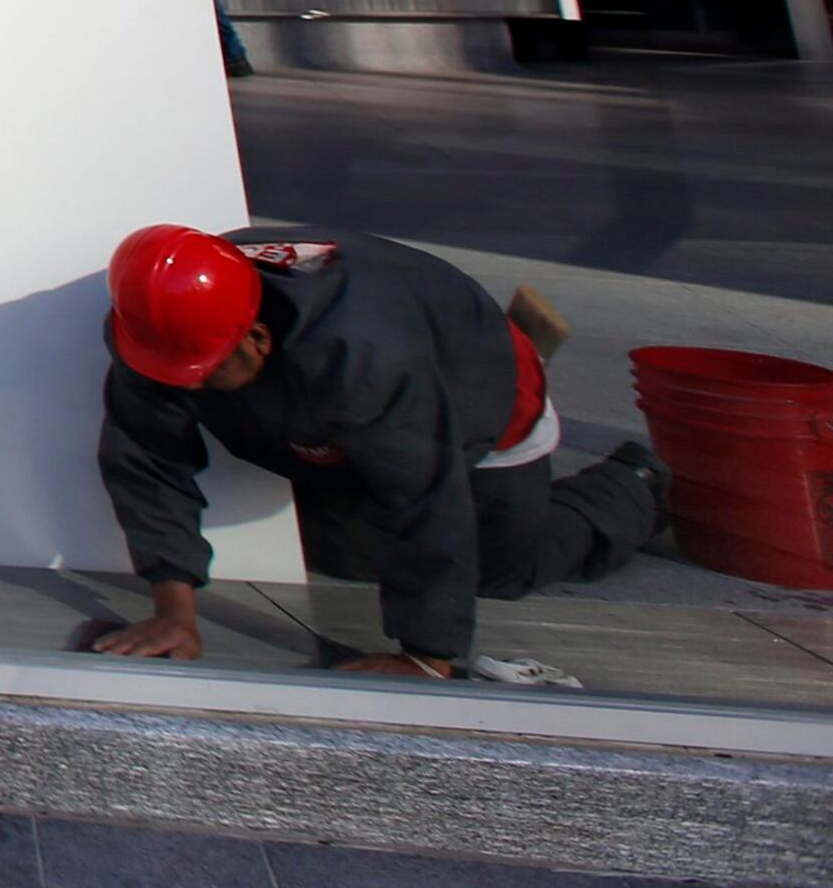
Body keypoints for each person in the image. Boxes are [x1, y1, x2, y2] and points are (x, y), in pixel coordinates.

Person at [88, 224, 668, 680]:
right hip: (363, 399)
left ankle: (636, 484)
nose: (183, 387)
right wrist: (173, 613)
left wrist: (426, 656)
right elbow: (146, 457)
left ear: (258, 338)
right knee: (351, 555)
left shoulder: (364, 361)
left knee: (493, 569)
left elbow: (428, 494)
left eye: (202, 374)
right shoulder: (163, 326)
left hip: (480, 393)